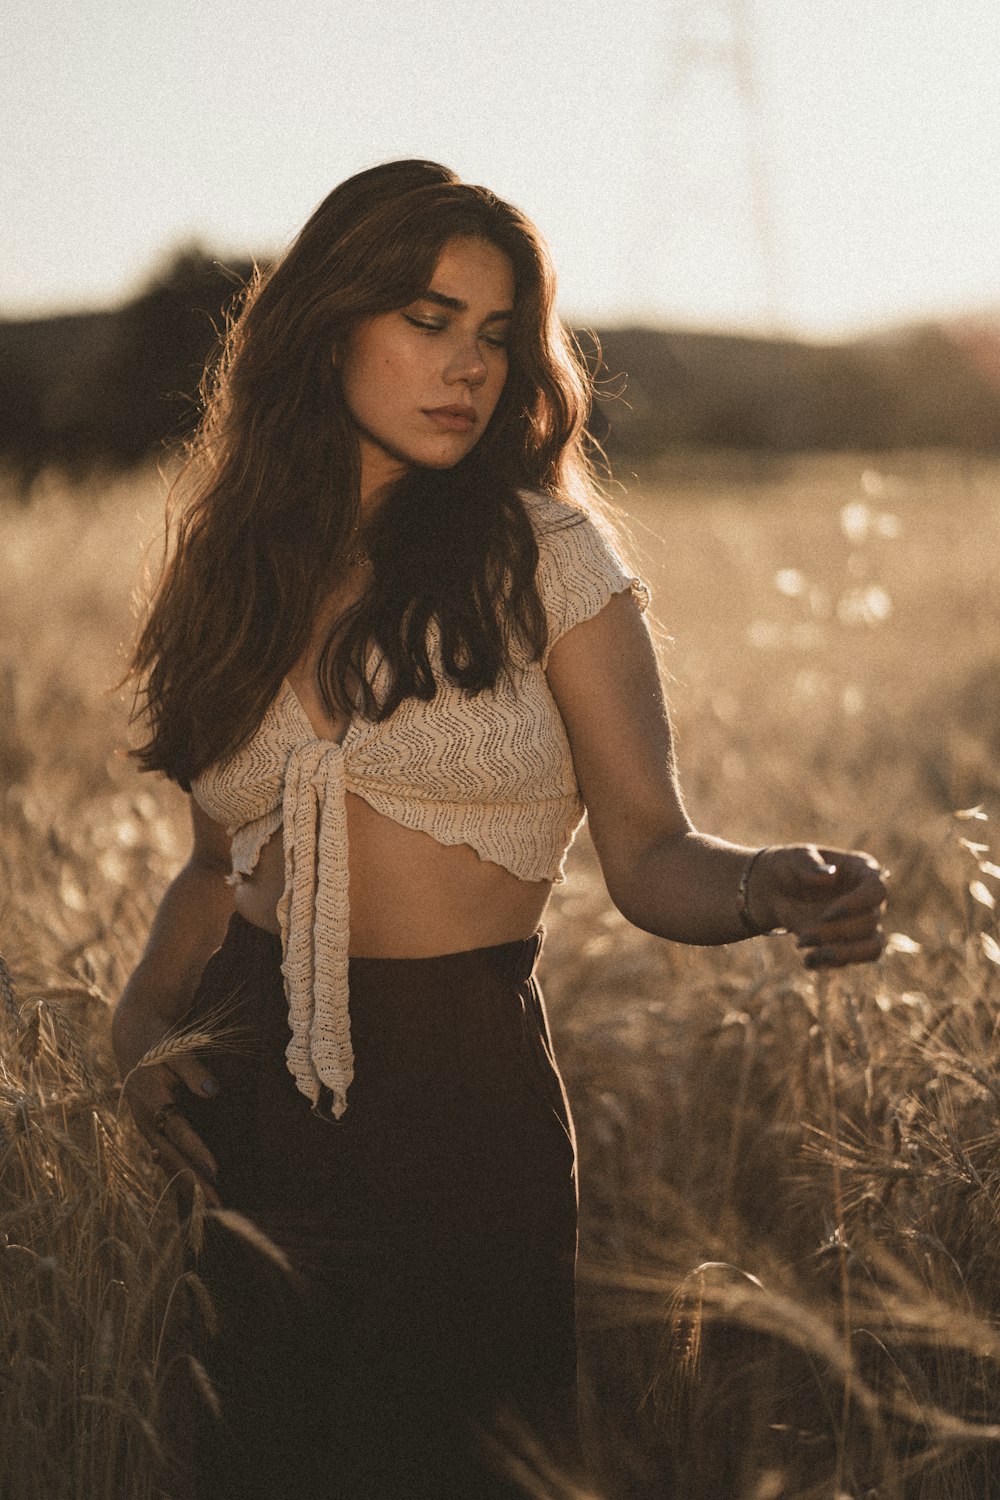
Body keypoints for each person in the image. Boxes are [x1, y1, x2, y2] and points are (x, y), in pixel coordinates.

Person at [112, 159, 887, 1499]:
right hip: (245, 1094)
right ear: (328, 321)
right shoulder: (234, 570)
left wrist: (765, 881)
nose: (467, 364)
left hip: (457, 1095)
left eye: (494, 333)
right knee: (256, 1460)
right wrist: (138, 1027)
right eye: (428, 317)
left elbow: (649, 855)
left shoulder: (546, 554)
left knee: (456, 1462)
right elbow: (210, 862)